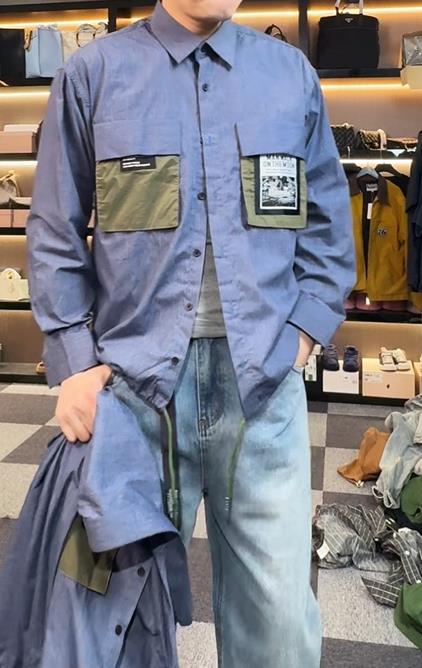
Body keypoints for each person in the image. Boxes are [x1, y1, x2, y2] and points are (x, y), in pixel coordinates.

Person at [26, 0, 356, 665]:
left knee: (279, 622)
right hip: (133, 396)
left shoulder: (289, 75)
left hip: (262, 388)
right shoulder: (93, 75)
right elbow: (56, 227)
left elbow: (326, 218)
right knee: (113, 619)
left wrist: (303, 333)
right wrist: (75, 361)